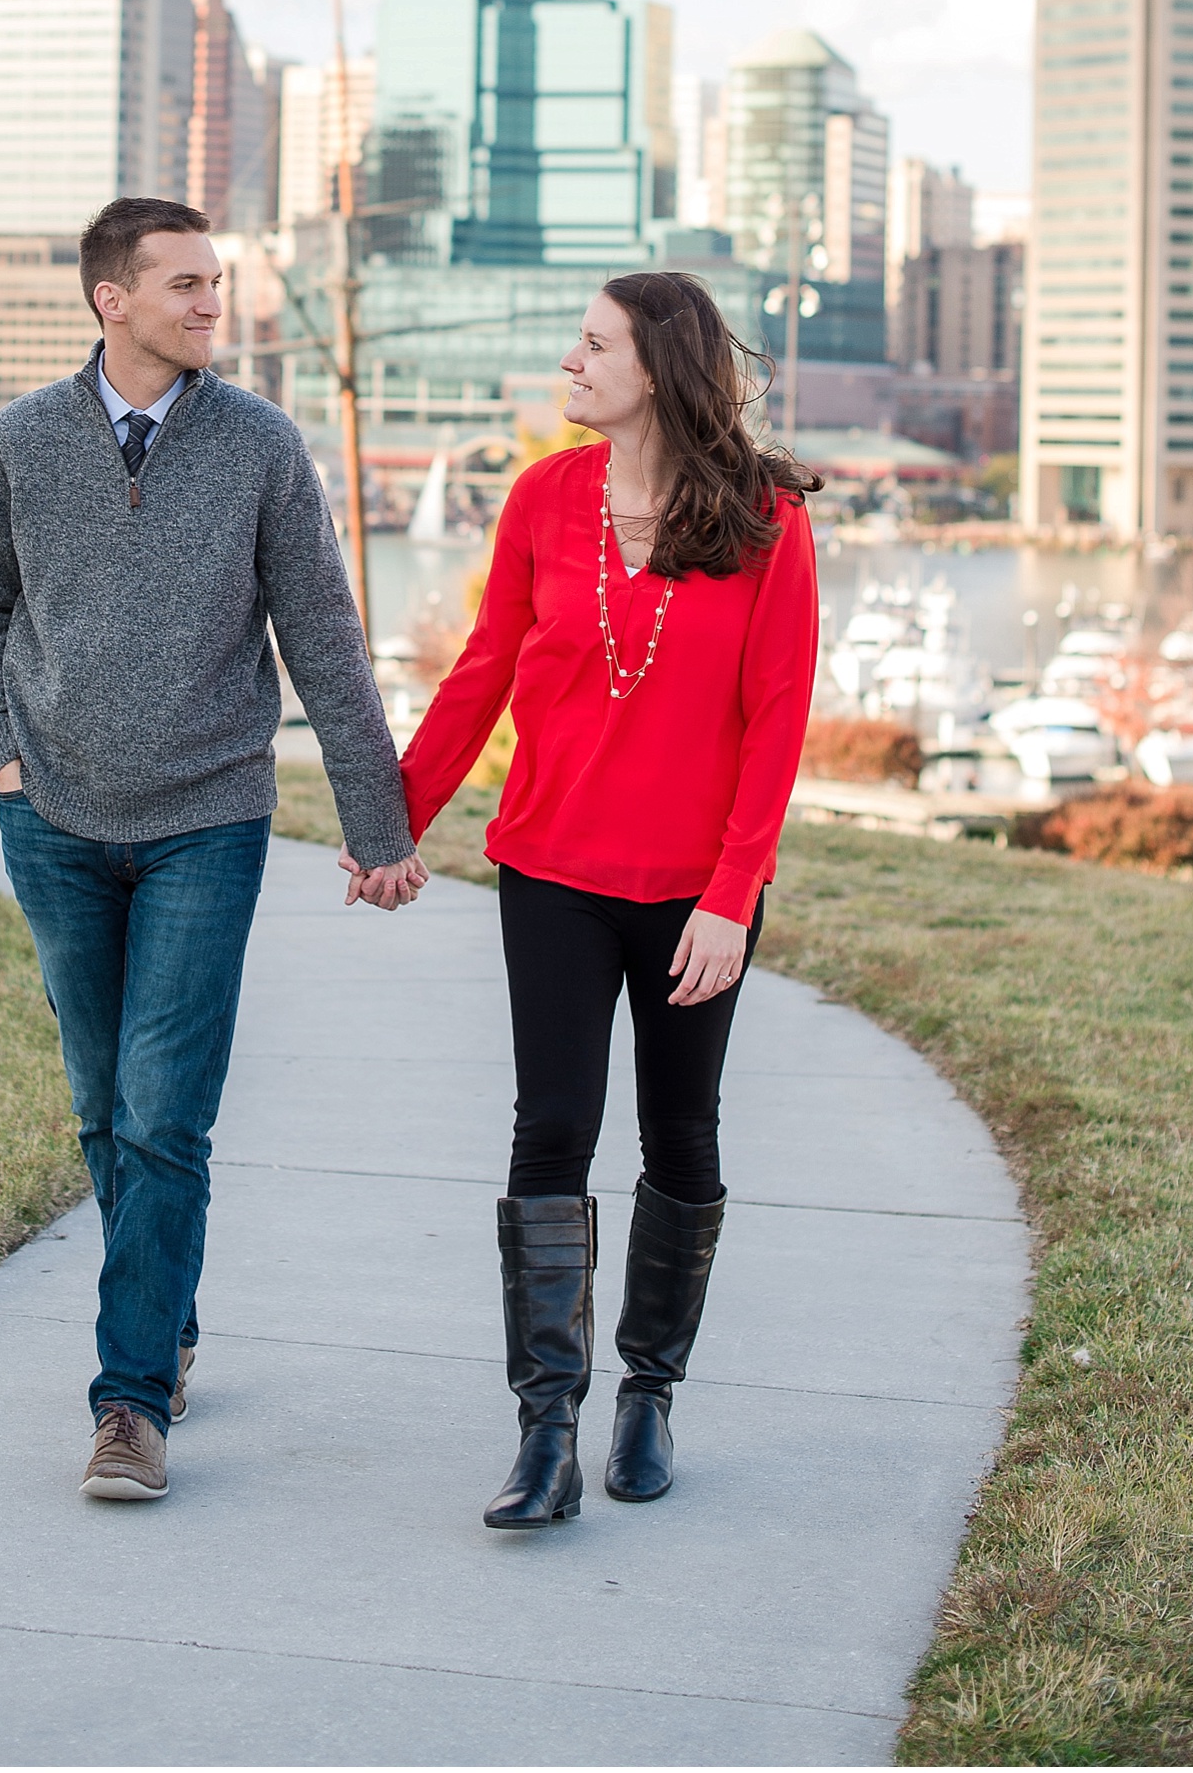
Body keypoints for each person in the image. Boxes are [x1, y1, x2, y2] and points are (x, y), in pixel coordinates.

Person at [0, 194, 427, 1507]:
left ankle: (129, 1401)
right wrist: (3, 741)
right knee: (105, 1107)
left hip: (207, 822)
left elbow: (324, 642)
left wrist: (376, 828)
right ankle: (166, 1309)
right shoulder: (25, 440)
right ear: (114, 297)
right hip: (50, 815)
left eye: (218, 284)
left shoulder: (264, 446)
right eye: (187, 285)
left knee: (167, 1112)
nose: (213, 304)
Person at [397, 270, 818, 1528]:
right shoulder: (542, 497)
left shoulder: (763, 519)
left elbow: (775, 721)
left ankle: (649, 1394)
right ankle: (544, 1430)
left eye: (591, 346)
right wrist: (391, 821)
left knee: (681, 1136)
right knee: (551, 1132)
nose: (567, 365)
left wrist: (732, 895)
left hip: (698, 892)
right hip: (552, 873)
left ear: (658, 370)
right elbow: (483, 672)